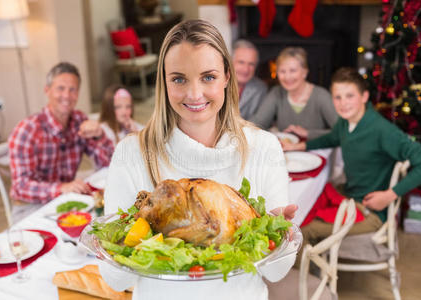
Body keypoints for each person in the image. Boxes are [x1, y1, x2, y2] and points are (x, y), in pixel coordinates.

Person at [101, 20, 298, 300]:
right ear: (164, 81)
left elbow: (276, 272)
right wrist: (121, 236)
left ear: (227, 77)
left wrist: (280, 237)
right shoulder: (132, 153)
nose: (195, 94)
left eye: (208, 77)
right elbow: (115, 280)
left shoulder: (263, 147)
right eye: (179, 79)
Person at [283, 67, 421, 257]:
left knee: (301, 230)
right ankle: (312, 265)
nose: (343, 103)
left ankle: (307, 281)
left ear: (364, 97)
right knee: (302, 206)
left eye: (349, 96)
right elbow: (333, 138)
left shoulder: (381, 130)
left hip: (370, 211)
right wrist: (298, 146)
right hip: (350, 195)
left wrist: (390, 195)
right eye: (337, 97)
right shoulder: (346, 122)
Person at [8, 62, 114, 207]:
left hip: (66, 200)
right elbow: (20, 187)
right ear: (47, 90)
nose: (67, 95)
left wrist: (100, 136)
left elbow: (109, 164)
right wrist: (61, 188)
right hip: (30, 207)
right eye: (60, 88)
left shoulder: (79, 121)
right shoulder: (27, 130)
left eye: (73, 89)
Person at [250, 47, 338, 140]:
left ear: (304, 72)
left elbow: (341, 131)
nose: (287, 77)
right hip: (285, 151)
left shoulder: (321, 96)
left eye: (293, 71)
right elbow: (258, 122)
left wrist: (308, 133)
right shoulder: (277, 93)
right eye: (282, 71)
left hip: (315, 151)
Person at [232, 39, 268, 120]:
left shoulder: (260, 88)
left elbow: (260, 121)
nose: (246, 69)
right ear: (230, 62)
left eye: (251, 64)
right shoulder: (216, 84)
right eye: (241, 62)